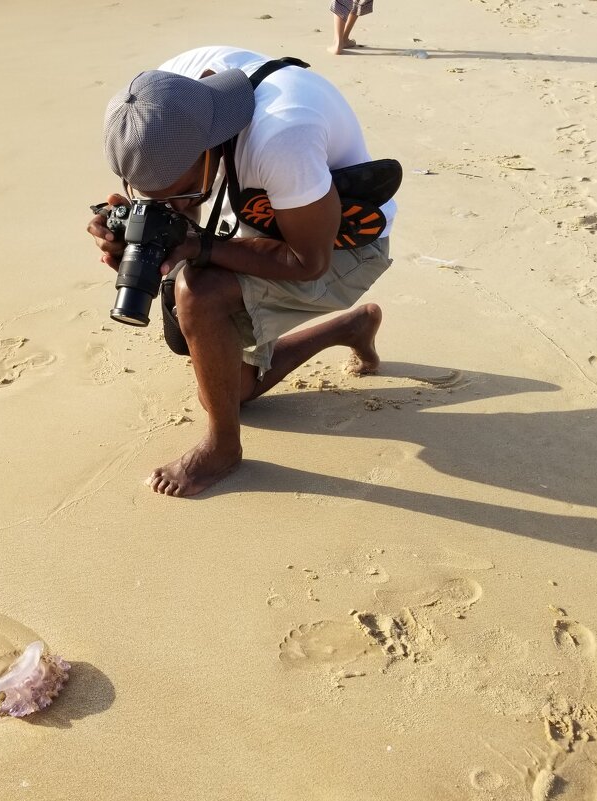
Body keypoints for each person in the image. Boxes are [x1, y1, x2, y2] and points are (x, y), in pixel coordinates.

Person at [87, 46, 396, 498]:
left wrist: (197, 245)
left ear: (209, 147)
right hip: (264, 208)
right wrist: (128, 226)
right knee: (233, 389)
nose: (166, 208)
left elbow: (310, 261)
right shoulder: (165, 97)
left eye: (175, 195)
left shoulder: (283, 137)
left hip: (342, 242)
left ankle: (223, 449)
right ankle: (350, 328)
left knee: (197, 293)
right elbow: (166, 186)